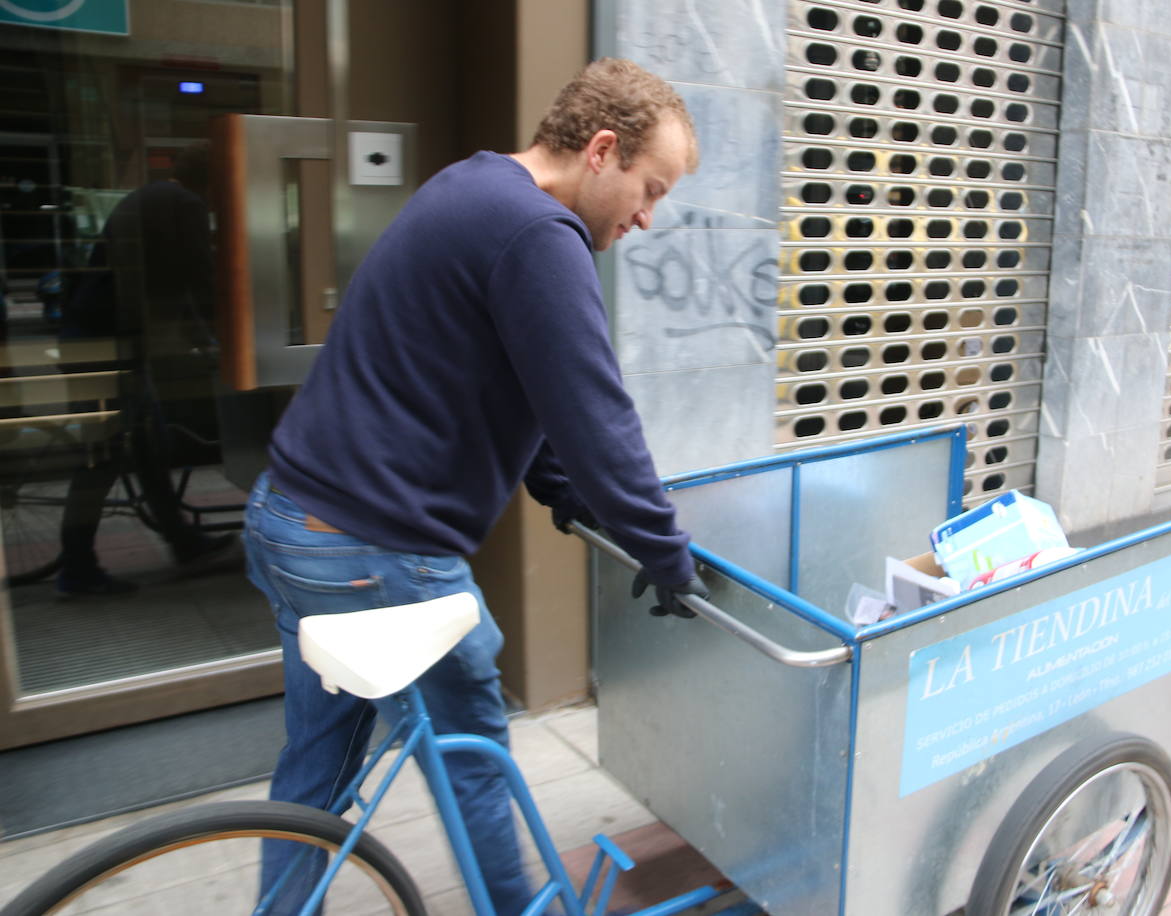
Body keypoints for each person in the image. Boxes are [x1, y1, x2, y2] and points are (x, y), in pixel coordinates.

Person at [242, 58, 708, 915]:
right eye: (651, 188)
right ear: (602, 150)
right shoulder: (538, 234)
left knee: (317, 769)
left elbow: (500, 386)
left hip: (290, 523)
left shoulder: (474, 186)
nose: (647, 217)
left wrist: (568, 497)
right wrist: (665, 552)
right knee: (475, 764)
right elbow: (593, 415)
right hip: (374, 551)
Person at [54, 143, 234, 597]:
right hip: (106, 344)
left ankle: (182, 541)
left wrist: (200, 332)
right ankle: (76, 567)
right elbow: (201, 277)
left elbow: (173, 279)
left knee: (148, 443)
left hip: (100, 337)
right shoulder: (186, 205)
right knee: (105, 454)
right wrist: (227, 329)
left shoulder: (151, 196)